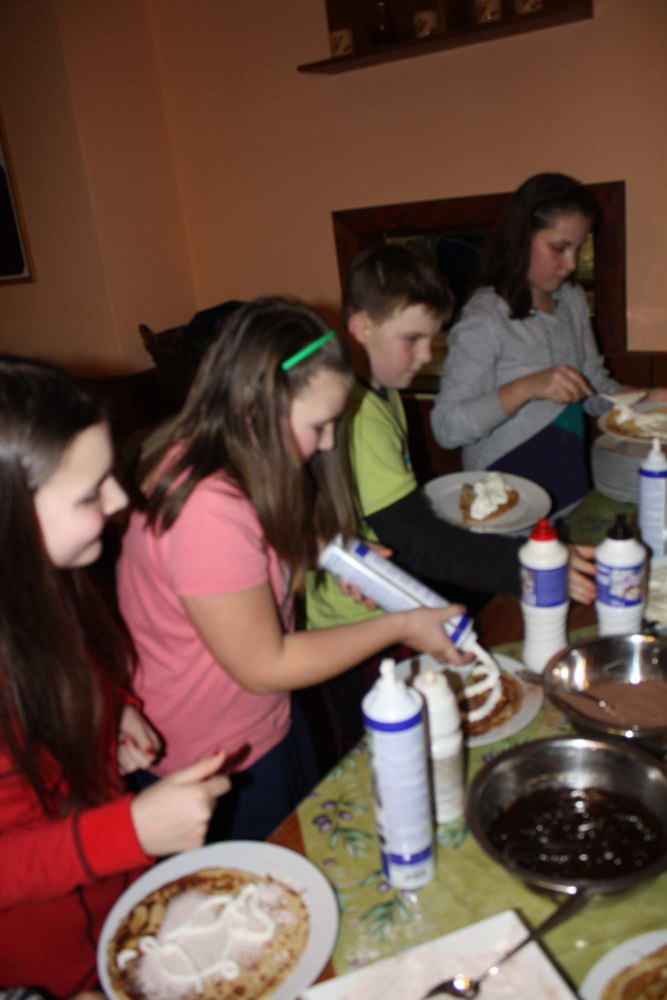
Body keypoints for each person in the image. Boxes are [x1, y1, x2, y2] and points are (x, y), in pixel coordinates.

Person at [116, 296, 470, 844]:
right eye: (320, 425)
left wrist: (320, 552)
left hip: (261, 722)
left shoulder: (232, 461)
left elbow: (244, 556)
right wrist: (401, 625)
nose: (328, 443)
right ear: (255, 410)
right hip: (211, 759)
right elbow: (265, 664)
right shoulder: (206, 509)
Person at [0, 357, 231, 997]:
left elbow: (70, 675)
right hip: (48, 972)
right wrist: (125, 832)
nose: (120, 501)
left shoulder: (49, 586)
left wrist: (113, 707)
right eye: (90, 493)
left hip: (117, 916)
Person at [304, 245, 596, 743]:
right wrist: (530, 568)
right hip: (353, 625)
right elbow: (414, 539)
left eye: (432, 338)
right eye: (412, 339)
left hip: (389, 607)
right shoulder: (359, 414)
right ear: (361, 327)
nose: (425, 356)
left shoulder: (381, 392)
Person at [430, 172, 667, 515]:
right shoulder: (485, 317)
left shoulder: (570, 300)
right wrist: (526, 388)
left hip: (569, 490)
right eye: (559, 248)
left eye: (577, 248)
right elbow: (447, 428)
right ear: (521, 237)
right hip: (504, 504)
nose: (571, 264)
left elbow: (593, 389)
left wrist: (649, 398)